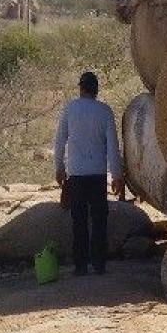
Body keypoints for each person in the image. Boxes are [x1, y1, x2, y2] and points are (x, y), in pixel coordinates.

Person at [54, 71, 123, 275]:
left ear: (81, 88)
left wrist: (59, 167)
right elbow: (113, 146)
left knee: (79, 220)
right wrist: (117, 175)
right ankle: (99, 264)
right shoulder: (105, 111)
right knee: (99, 219)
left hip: (76, 174)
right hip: (98, 174)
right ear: (96, 89)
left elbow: (60, 141)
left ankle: (80, 265)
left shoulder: (70, 108)